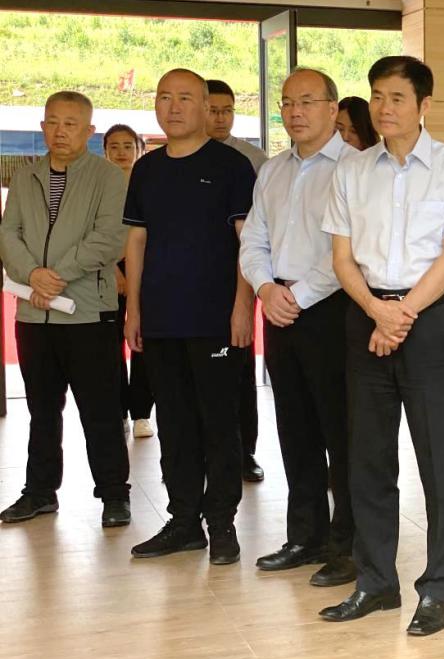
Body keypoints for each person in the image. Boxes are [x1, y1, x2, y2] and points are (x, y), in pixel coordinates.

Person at [319, 56, 444, 637]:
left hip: (429, 321)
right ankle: (376, 581)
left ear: (423, 105)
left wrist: (400, 314)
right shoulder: (353, 170)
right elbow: (342, 258)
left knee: (438, 461)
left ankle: (439, 588)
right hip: (366, 317)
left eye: (397, 98)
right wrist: (377, 312)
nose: (384, 108)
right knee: (367, 458)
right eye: (377, 97)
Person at [124, 68, 256, 565]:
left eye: (185, 98)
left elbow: (249, 243)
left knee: (218, 422)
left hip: (215, 319)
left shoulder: (231, 166)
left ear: (205, 106)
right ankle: (183, 522)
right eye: (165, 97)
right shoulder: (147, 169)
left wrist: (243, 305)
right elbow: (137, 240)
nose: (174, 106)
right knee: (175, 423)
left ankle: (221, 524)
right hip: (160, 318)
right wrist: (134, 309)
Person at [240, 68, 358, 587]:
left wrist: (298, 297)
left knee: (343, 433)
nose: (295, 112)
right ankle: (305, 536)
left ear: (333, 109)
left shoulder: (356, 168)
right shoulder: (273, 170)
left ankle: (348, 545)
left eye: (307, 101)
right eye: (287, 103)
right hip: (280, 308)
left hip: (334, 309)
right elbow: (254, 239)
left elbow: (350, 252)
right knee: (295, 429)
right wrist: (266, 289)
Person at [0, 91, 131, 528]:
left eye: (71, 124)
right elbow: (8, 233)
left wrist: (53, 275)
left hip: (88, 313)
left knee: (101, 409)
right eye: (52, 122)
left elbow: (110, 238)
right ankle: (39, 493)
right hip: (33, 314)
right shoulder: (26, 176)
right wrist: (32, 274)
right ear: (42, 127)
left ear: (89, 131)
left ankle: (114, 494)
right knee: (41, 410)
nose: (60, 131)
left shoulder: (108, 177)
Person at [206, 78, 266, 483]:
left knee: (240, 367)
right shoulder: (179, 155)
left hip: (241, 274)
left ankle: (245, 452)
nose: (221, 117)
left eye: (227, 110)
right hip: (196, 280)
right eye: (213, 110)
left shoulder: (253, 160)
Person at [104, 124, 155, 440]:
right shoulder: (99, 185)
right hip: (107, 270)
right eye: (114, 146)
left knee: (142, 341)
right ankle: (118, 410)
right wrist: (114, 269)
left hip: (146, 269)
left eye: (128, 146)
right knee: (110, 344)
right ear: (105, 151)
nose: (121, 152)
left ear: (139, 149)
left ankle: (141, 414)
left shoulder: (149, 182)